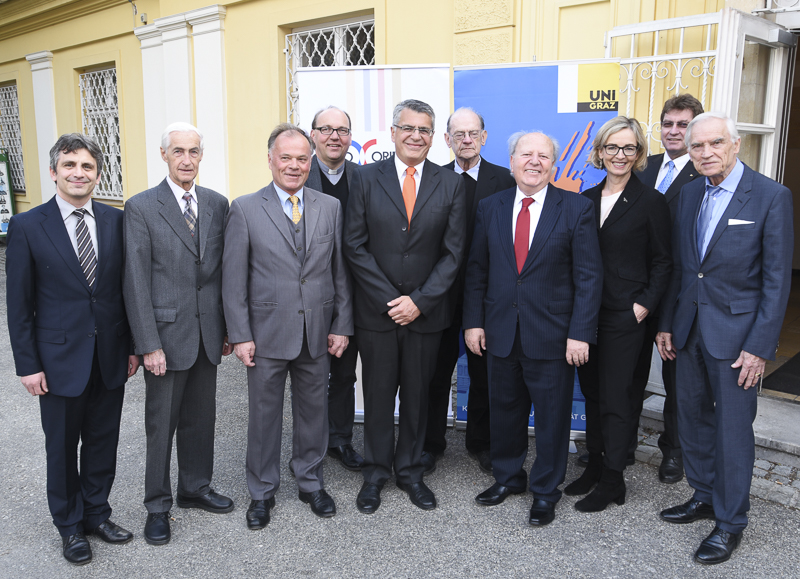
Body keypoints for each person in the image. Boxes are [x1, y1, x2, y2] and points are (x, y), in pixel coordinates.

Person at [656, 112, 792, 565]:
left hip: (738, 341)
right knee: (691, 420)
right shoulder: (690, 193)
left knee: (733, 433)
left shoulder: (771, 196)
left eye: (715, 143)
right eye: (697, 146)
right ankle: (705, 496)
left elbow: (776, 282)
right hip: (688, 330)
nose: (706, 152)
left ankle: (730, 522)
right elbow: (682, 267)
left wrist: (759, 346)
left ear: (735, 145)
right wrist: (666, 323)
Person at [6, 133, 139, 565]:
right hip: (58, 360)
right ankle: (68, 526)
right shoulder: (28, 226)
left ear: (98, 174)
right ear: (54, 172)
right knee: (62, 448)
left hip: (109, 356)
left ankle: (96, 514)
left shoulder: (116, 221)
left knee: (103, 441)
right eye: (69, 166)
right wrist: (28, 365)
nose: (78, 173)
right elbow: (19, 304)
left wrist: (133, 347)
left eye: (86, 166)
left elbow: (125, 291)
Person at [463, 131, 603, 526]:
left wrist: (580, 332)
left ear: (554, 166)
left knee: (552, 418)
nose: (534, 161)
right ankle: (508, 478)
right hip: (501, 332)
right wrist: (473, 322)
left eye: (544, 156)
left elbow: (589, 277)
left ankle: (545, 490)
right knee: (504, 412)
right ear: (511, 161)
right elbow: (477, 270)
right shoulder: (490, 207)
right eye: (527, 154)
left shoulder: (576, 209)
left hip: (554, 337)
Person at [222, 124, 353, 528]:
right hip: (265, 334)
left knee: (314, 413)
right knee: (263, 417)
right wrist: (240, 334)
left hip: (317, 331)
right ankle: (261, 492)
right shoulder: (244, 208)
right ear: (270, 160)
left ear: (310, 160)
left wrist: (341, 325)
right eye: (286, 158)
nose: (294, 166)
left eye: (301, 158)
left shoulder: (328, 206)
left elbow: (340, 272)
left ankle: (310, 482)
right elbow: (233, 279)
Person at [344, 99, 466, 514]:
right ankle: (376, 473)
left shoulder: (450, 183)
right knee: (378, 396)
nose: (416, 136)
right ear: (393, 132)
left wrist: (418, 302)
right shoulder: (362, 178)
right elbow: (354, 246)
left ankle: (411, 471)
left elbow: (453, 254)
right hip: (377, 313)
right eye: (409, 128)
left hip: (426, 315)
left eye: (425, 130)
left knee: (418, 396)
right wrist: (390, 300)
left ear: (435, 138)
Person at [123, 122, 233, 546]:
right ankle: (157, 505)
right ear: (164, 156)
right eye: (178, 152)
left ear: (201, 156)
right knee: (161, 425)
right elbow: (135, 281)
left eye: (194, 152)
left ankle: (195, 487)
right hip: (165, 338)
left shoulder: (216, 203)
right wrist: (147, 343)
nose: (187, 159)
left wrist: (225, 327)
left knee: (201, 419)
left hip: (207, 333)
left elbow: (219, 273)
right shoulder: (141, 207)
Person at [564, 117, 672, 512]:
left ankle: (613, 481)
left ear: (639, 154)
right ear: (600, 151)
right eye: (612, 147)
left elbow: (663, 262)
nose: (620, 155)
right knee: (592, 395)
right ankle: (594, 467)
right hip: (586, 316)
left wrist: (643, 306)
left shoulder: (652, 202)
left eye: (628, 148)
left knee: (617, 400)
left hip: (626, 318)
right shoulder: (585, 199)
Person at [422, 107, 516, 475]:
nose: (466, 140)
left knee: (486, 375)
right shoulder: (431, 179)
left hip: (490, 298)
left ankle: (482, 443)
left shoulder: (506, 181)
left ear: (484, 137)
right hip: (439, 298)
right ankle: (430, 443)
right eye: (458, 134)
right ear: (446, 139)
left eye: (473, 133)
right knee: (434, 374)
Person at [631, 93, 704, 483]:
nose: (673, 131)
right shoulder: (645, 166)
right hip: (638, 294)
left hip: (678, 296)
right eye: (668, 123)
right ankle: (619, 444)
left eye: (682, 124)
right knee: (628, 372)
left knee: (678, 382)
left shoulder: (705, 170)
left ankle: (673, 452)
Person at [307, 106, 364, 471]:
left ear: (350, 137)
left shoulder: (366, 177)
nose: (334, 137)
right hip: (307, 294)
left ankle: (340, 439)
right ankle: (309, 442)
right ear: (313, 134)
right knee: (309, 373)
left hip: (353, 294)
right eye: (325, 129)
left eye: (342, 130)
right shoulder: (296, 173)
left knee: (344, 372)